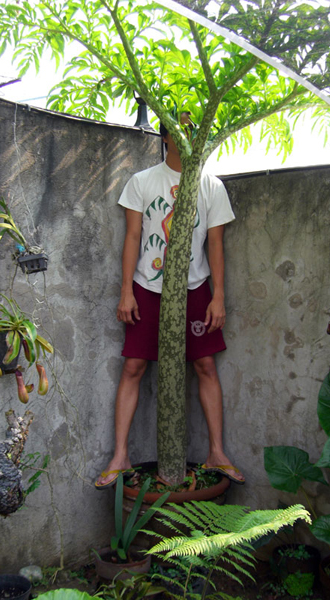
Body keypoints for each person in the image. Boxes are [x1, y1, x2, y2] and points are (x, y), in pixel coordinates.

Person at [95, 115, 245, 488]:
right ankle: (120, 455)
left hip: (196, 288)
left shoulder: (211, 186)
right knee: (133, 367)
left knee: (206, 365)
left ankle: (217, 452)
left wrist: (219, 297)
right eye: (180, 128)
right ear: (165, 136)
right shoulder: (142, 182)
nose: (188, 133)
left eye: (193, 127)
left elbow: (215, 244)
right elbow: (132, 238)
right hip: (148, 286)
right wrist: (127, 290)